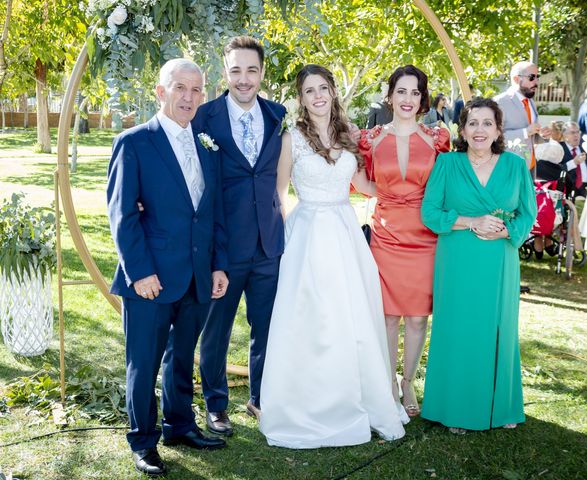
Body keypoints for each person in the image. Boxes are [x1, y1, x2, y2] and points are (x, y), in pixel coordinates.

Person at [259, 64, 408, 448]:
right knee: (308, 316)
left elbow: (361, 183)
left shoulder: (350, 135)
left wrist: (406, 193)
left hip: (344, 232)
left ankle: (358, 396)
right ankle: (307, 402)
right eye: (309, 91)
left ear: (333, 92)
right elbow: (279, 195)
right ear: (301, 98)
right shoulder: (291, 138)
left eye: (323, 88)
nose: (318, 96)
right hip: (307, 232)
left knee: (351, 315)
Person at [106, 58, 228, 476]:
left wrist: (218, 266)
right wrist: (139, 272)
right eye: (180, 88)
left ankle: (180, 426)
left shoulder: (208, 144)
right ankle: (143, 441)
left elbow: (213, 214)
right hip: (150, 278)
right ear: (160, 92)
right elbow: (122, 216)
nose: (189, 97)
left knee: (181, 356)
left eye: (196, 90)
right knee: (143, 362)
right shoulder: (134, 142)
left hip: (196, 273)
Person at [420, 97, 536, 434]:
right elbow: (430, 213)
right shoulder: (447, 164)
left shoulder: (514, 166)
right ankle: (455, 407)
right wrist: (471, 221)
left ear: (499, 129)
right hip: (457, 259)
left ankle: (501, 407)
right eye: (473, 123)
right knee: (458, 328)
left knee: (499, 329)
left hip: (499, 259)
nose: (480, 130)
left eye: (487, 123)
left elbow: (526, 213)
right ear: (462, 129)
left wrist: (506, 232)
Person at [192, 36, 286, 436]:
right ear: (224, 72)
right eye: (236, 70)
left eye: (252, 70)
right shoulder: (204, 117)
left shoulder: (279, 114)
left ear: (262, 72)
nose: (244, 79)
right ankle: (216, 404)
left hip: (269, 244)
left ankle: (261, 396)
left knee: (268, 327)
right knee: (217, 330)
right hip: (222, 248)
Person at [359, 65, 449, 419]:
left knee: (416, 317)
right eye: (401, 91)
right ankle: (386, 382)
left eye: (415, 92)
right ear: (390, 95)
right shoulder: (372, 138)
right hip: (385, 235)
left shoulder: (437, 139)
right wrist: (389, 198)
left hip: (425, 238)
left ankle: (408, 380)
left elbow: (446, 186)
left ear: (422, 98)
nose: (408, 99)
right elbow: (362, 183)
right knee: (388, 316)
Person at [494, 61, 551, 179]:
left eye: (537, 77)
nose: (536, 82)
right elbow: (493, 137)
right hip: (509, 171)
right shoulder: (499, 102)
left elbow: (531, 137)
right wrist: (526, 132)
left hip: (530, 168)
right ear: (516, 79)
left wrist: (542, 136)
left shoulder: (531, 102)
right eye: (531, 77)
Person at [560, 121, 587, 198]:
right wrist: (573, 163)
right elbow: (556, 170)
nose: (576, 135)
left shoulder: (586, 147)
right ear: (565, 135)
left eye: (578, 132)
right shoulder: (559, 149)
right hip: (568, 190)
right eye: (572, 133)